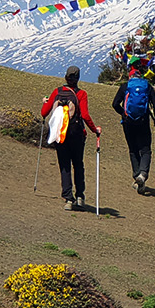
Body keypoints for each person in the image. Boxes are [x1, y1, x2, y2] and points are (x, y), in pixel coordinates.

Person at [41, 66, 102, 210]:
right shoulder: (82, 94)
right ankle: (80, 196)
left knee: (64, 165)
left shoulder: (57, 92)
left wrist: (45, 102)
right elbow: (85, 116)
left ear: (65, 78)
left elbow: (44, 113)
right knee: (78, 164)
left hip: (59, 134)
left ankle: (68, 199)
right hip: (76, 134)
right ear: (78, 78)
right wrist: (95, 130)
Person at [112, 64, 155, 194]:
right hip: (143, 122)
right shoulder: (147, 87)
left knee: (133, 150)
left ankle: (137, 176)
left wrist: (123, 113)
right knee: (145, 150)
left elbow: (115, 104)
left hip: (128, 122)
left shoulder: (125, 86)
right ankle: (143, 175)